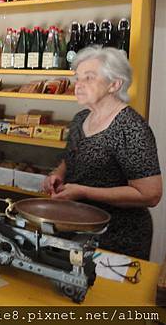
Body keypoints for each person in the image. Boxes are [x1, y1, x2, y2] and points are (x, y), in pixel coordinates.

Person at [42, 47, 162, 259]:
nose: (78, 85)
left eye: (89, 77)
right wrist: (58, 175)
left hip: (118, 235)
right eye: (77, 78)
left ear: (114, 84)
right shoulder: (81, 118)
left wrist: (83, 192)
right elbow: (72, 157)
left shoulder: (130, 127)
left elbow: (150, 194)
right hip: (77, 226)